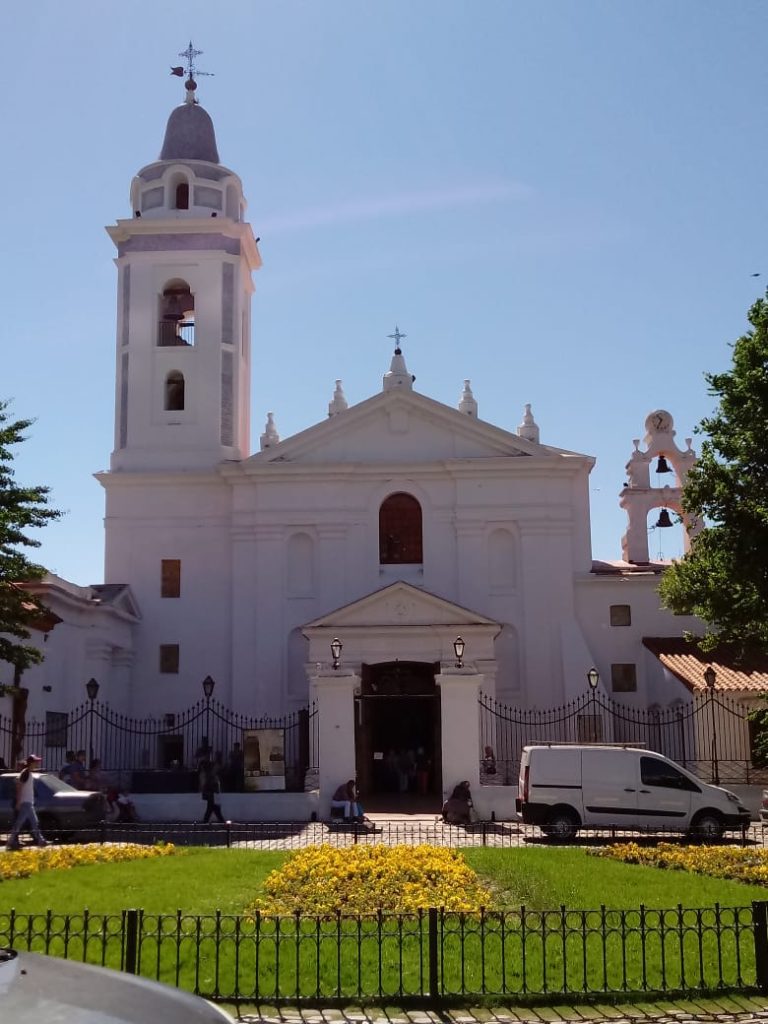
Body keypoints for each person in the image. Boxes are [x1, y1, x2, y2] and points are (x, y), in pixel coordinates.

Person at [6, 754, 47, 850]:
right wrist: (19, 801)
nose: (37, 763)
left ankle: (41, 840)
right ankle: (11, 841)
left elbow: (18, 782)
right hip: (25, 802)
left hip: (28, 802)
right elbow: (19, 786)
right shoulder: (26, 773)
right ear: (31, 763)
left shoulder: (27, 772)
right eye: (36, 762)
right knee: (21, 822)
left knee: (34, 822)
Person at [199, 757, 225, 823]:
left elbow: (209, 785)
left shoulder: (210, 775)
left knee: (211, 809)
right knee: (214, 810)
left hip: (212, 795)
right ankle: (222, 823)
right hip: (212, 795)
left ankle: (205, 823)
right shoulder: (210, 775)